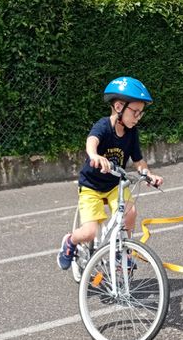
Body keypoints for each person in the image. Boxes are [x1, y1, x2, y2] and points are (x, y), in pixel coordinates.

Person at [57, 76, 163, 270]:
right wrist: (94, 155)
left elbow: (138, 160)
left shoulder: (132, 133)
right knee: (89, 233)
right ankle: (70, 242)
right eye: (136, 112)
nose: (138, 117)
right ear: (118, 106)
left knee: (130, 212)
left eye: (141, 113)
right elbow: (92, 141)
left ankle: (123, 250)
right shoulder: (104, 126)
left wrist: (148, 174)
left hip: (115, 185)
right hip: (91, 186)